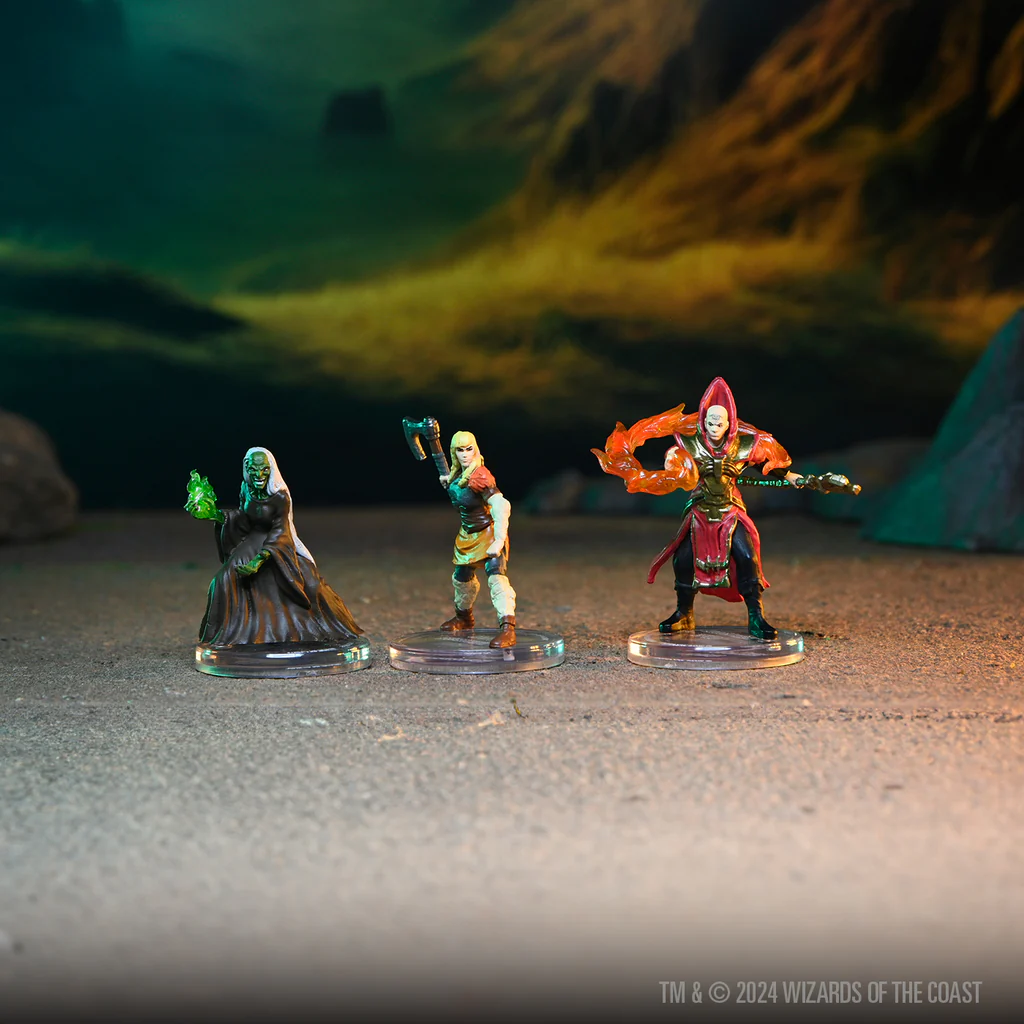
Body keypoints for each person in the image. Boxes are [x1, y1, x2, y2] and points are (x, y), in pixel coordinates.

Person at [592, 377, 806, 640]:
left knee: (747, 557)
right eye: (710, 423)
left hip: (730, 509)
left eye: (719, 423)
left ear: (729, 424)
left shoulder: (744, 446)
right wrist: (666, 475)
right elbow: (675, 471)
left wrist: (791, 477)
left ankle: (756, 616)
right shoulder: (689, 446)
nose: (714, 428)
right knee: (683, 559)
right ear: (703, 422)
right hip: (700, 508)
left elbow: (768, 464)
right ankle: (684, 613)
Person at [185, 447, 362, 646]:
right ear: (247, 469)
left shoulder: (280, 497)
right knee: (222, 580)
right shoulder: (246, 489)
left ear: (271, 469)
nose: (259, 475)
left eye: (264, 469)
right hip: (253, 539)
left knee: (310, 583)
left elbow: (280, 530)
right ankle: (237, 634)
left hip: (276, 544)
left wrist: (258, 561)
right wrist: (215, 515)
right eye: (253, 470)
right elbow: (243, 519)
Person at [437, 430, 517, 648]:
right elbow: (457, 488)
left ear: (475, 450)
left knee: (496, 577)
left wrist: (499, 539)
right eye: (459, 450)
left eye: (468, 449)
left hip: (488, 532)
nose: (465, 454)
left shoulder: (480, 476)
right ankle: (464, 619)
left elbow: (501, 504)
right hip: (467, 534)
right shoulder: (456, 476)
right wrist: (448, 481)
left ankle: (508, 629)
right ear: (453, 453)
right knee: (462, 577)